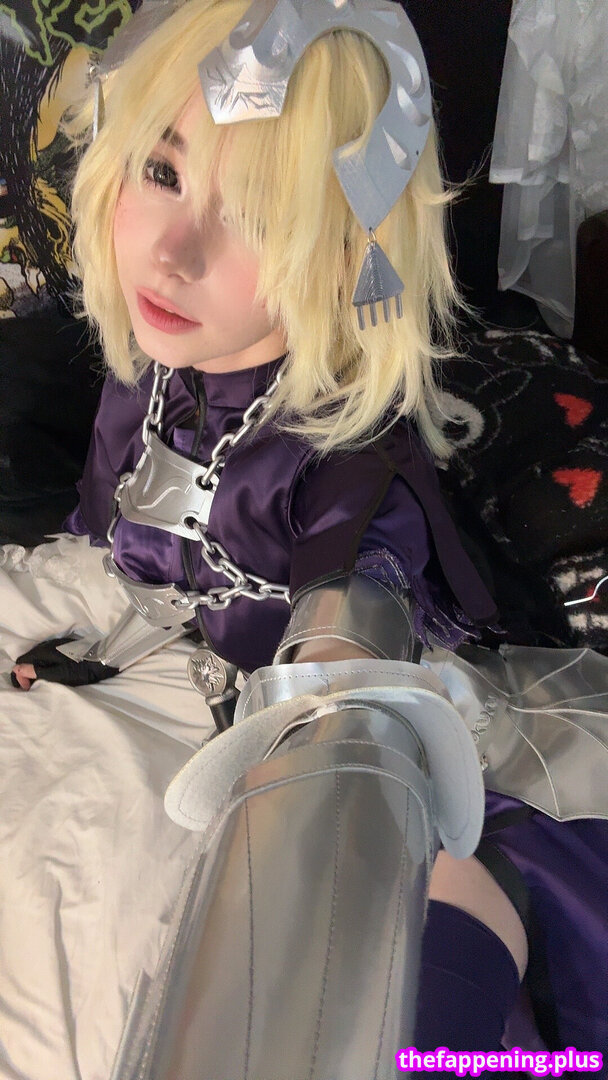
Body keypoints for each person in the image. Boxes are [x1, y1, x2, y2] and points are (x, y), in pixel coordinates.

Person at [2, 1, 606, 1076]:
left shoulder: (351, 472)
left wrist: (334, 685)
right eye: (162, 170)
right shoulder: (155, 355)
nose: (174, 253)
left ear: (343, 258)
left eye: (258, 215)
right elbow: (113, 520)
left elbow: (351, 637)